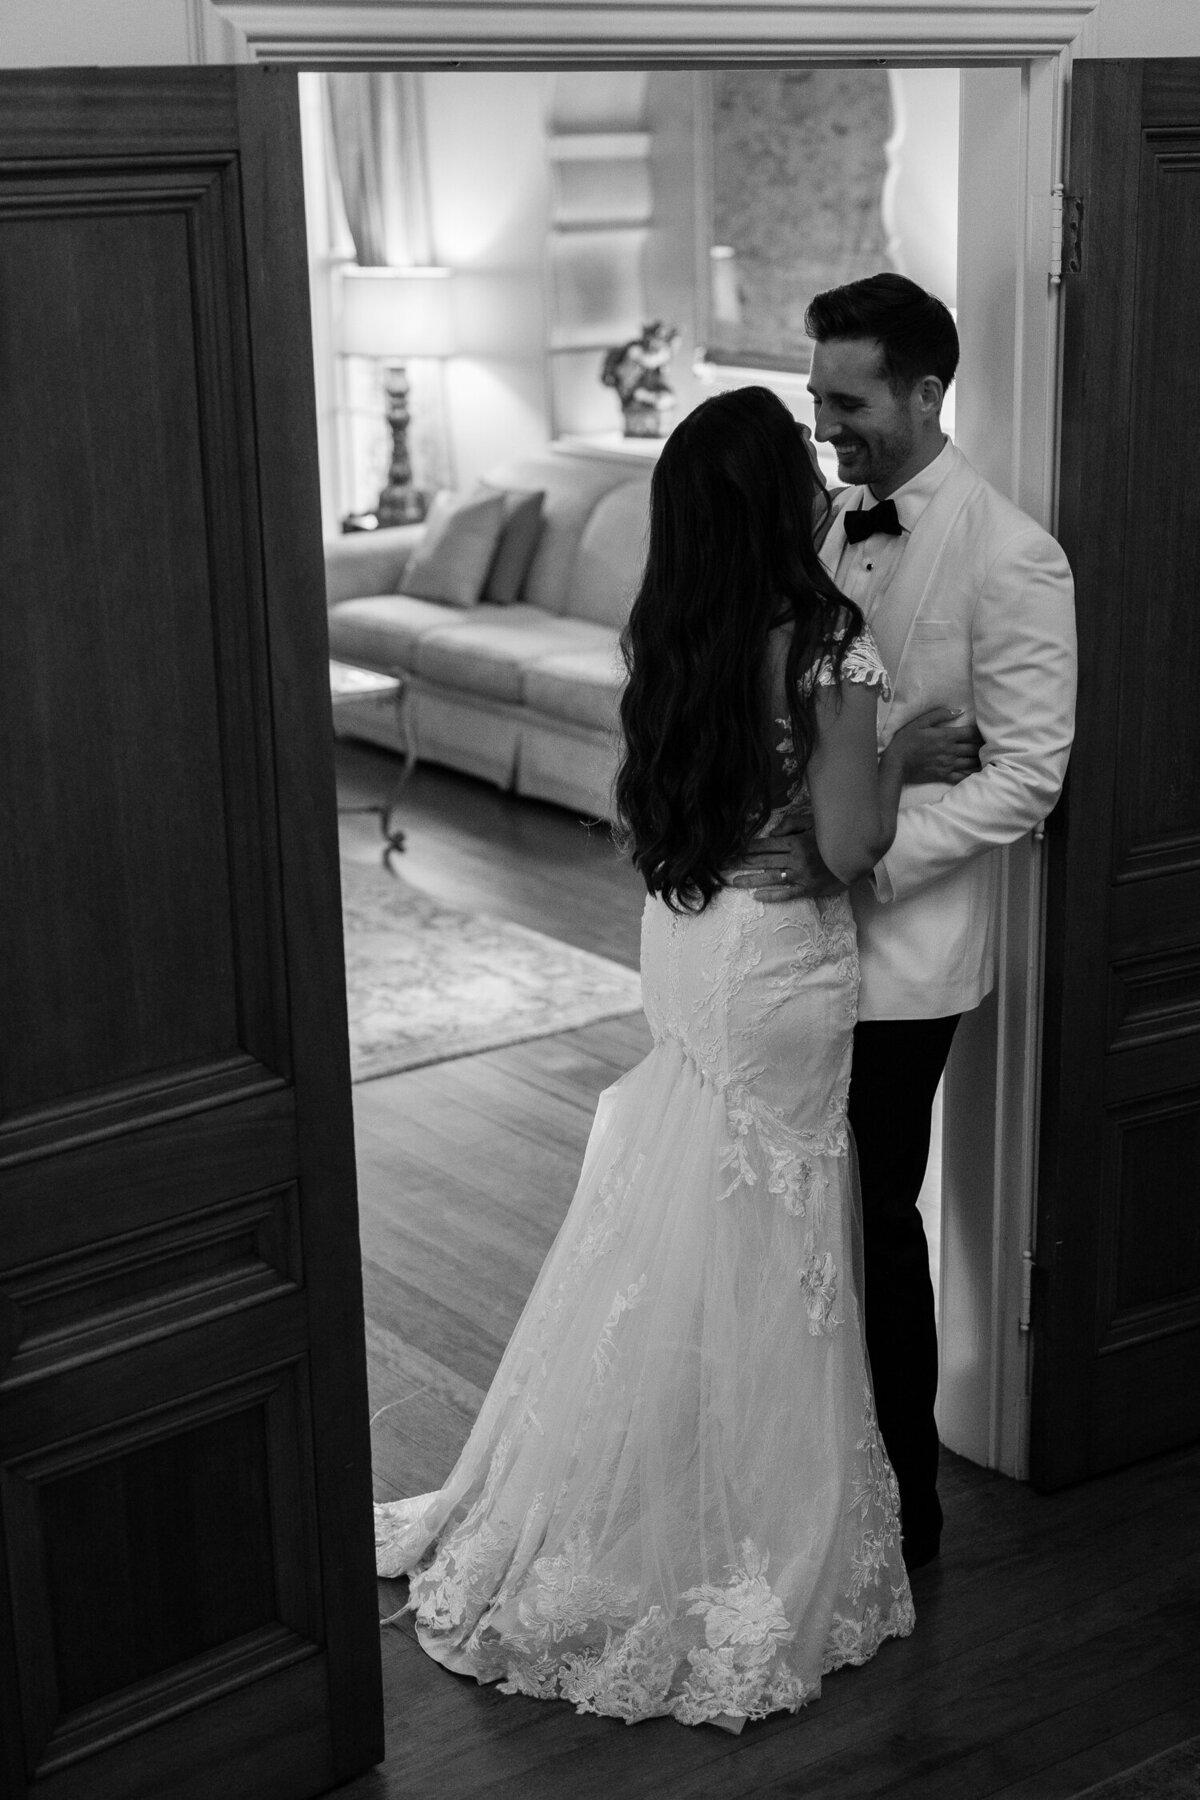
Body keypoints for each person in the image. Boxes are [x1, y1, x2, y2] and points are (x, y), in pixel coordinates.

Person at [373, 386, 953, 1730]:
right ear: (770, 499)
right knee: (775, 1228)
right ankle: (739, 1520)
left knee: (685, 1206)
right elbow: (849, 848)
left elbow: (666, 817)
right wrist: (905, 756)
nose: (820, 471)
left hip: (689, 939)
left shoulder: (676, 632)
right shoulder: (828, 641)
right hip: (784, 961)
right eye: (799, 457)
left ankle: (643, 1484)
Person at [733, 274, 1077, 1569]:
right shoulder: (821, 523)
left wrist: (860, 862)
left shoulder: (1014, 555)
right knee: (784, 1214)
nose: (826, 427)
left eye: (849, 402)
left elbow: (1028, 777)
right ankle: (795, 1476)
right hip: (784, 945)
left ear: (928, 393)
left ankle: (904, 1514)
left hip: (902, 956)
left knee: (875, 1219)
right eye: (816, 398)